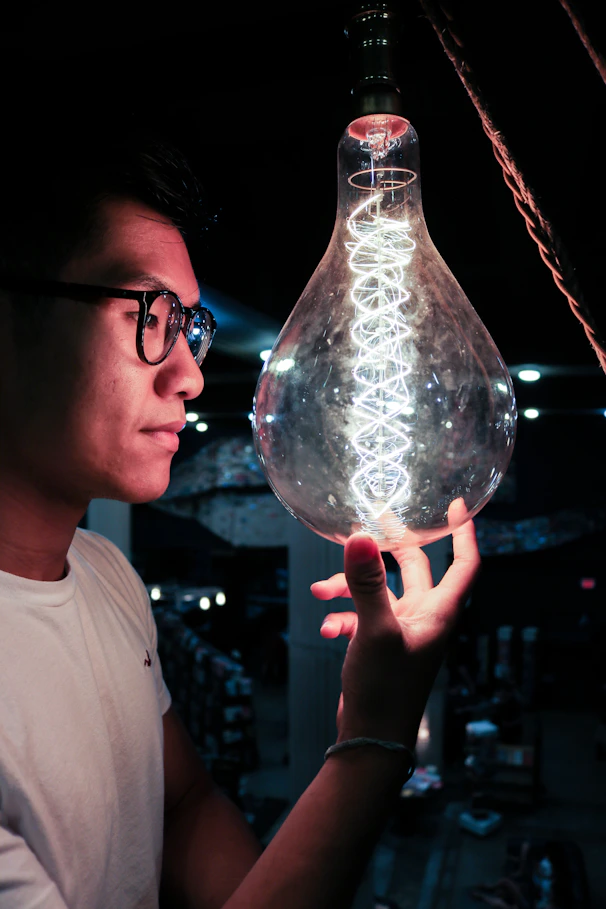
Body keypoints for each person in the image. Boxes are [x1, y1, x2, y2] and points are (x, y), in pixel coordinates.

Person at [0, 114, 481, 909]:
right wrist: (373, 740)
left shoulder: (106, 575)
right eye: (149, 316)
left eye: (192, 325)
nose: (190, 376)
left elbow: (183, 808)